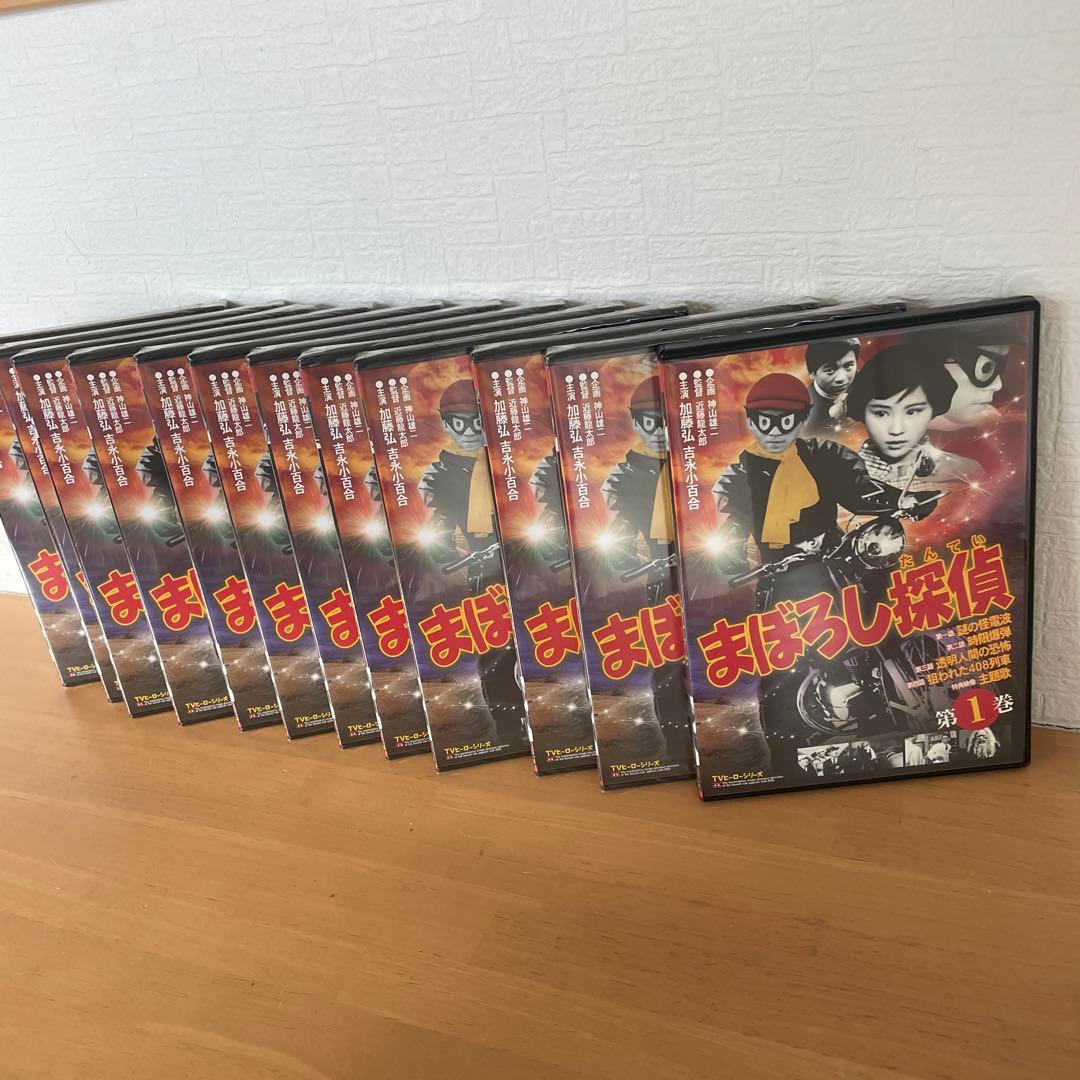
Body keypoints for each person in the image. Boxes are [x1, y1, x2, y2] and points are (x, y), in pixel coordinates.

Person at [418, 379, 524, 746]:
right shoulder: (438, 476)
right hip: (483, 569)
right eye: (458, 423)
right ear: (445, 423)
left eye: (477, 421)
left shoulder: (512, 462)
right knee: (495, 650)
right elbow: (436, 525)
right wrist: (450, 550)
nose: (469, 431)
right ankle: (509, 725)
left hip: (526, 563)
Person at [846, 343, 984, 496]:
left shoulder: (964, 472)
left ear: (934, 409)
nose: (896, 430)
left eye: (912, 412)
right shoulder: (843, 477)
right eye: (881, 413)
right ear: (862, 412)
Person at [804, 337, 859, 437]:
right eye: (830, 370)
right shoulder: (805, 410)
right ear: (812, 373)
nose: (841, 378)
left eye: (848, 366)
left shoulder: (868, 382)